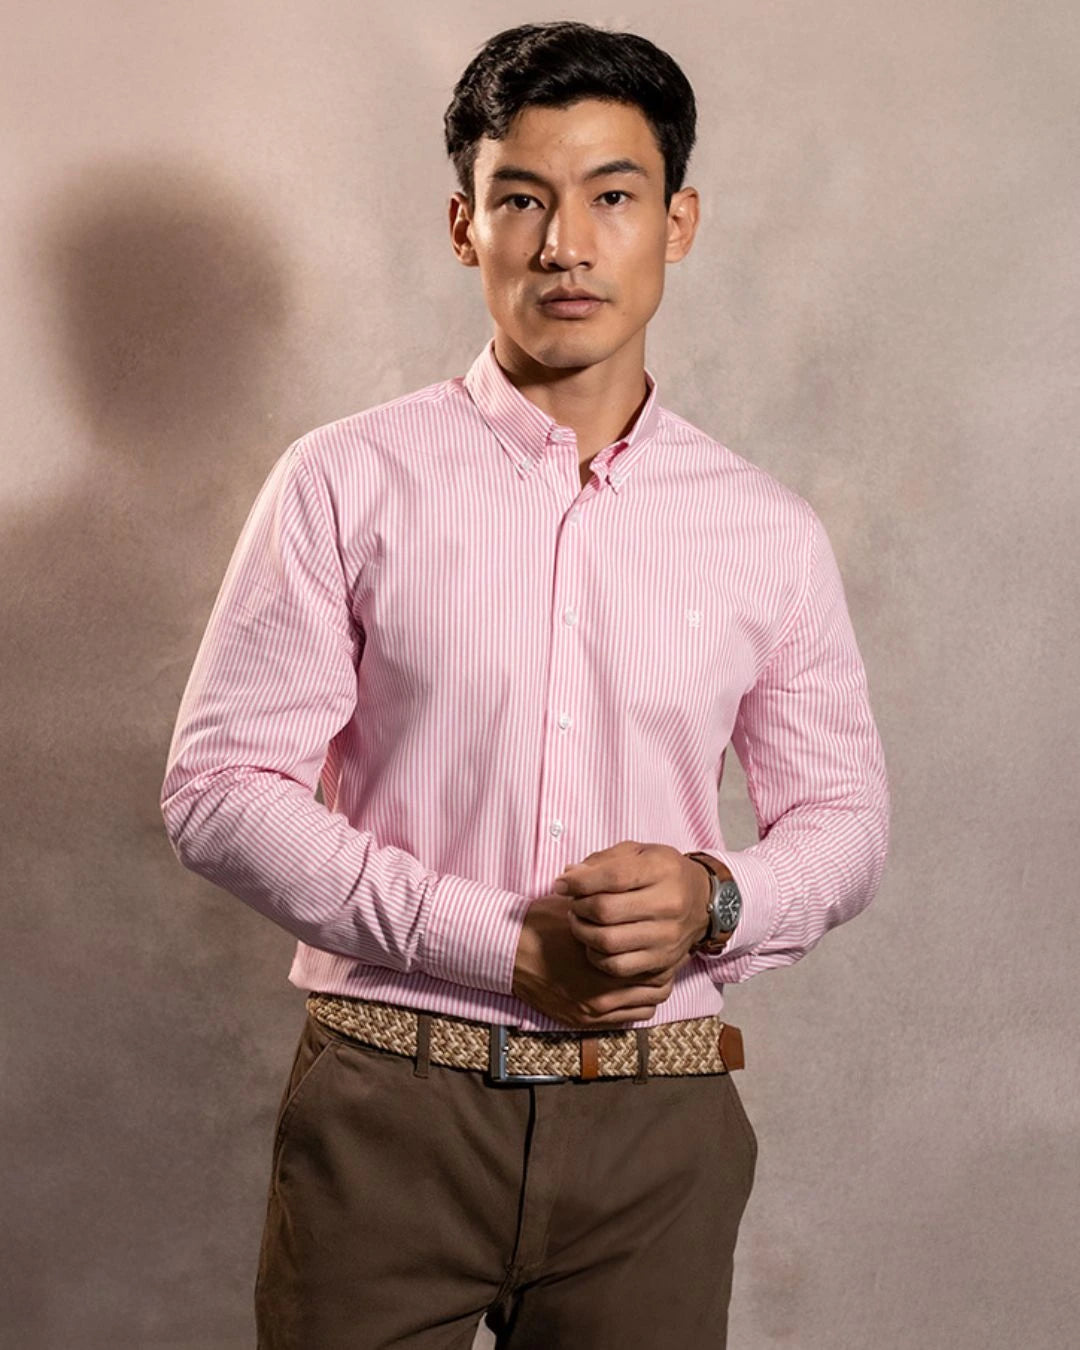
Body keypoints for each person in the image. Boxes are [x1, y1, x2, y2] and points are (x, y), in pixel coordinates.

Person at [160, 19, 890, 1350]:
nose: (565, 243)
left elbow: (844, 820)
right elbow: (218, 789)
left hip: (656, 1126)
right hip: (390, 1109)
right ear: (465, 226)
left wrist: (716, 899)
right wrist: (498, 943)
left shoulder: (767, 530)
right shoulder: (344, 482)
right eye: (521, 199)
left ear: (677, 223)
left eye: (612, 196)